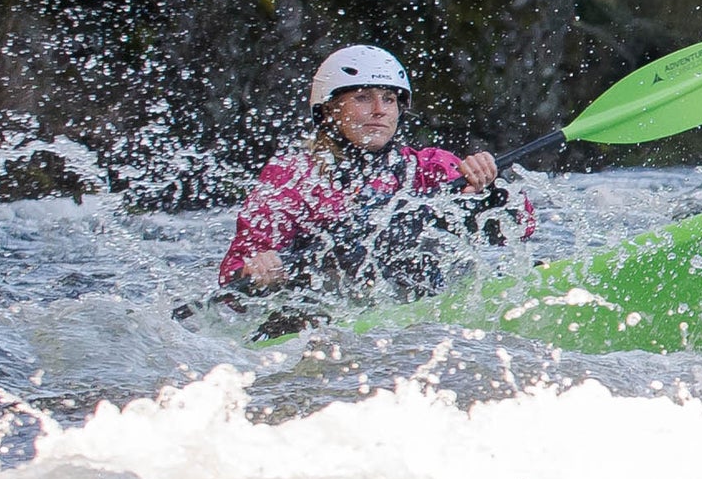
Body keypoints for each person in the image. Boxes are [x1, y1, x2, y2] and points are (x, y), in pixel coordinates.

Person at [222, 45, 532, 297]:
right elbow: (233, 272)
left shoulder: (428, 166)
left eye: (389, 98)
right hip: (323, 307)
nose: (380, 110)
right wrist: (256, 269)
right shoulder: (294, 177)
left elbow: (524, 225)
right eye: (362, 97)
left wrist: (491, 188)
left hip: (419, 296)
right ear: (329, 110)